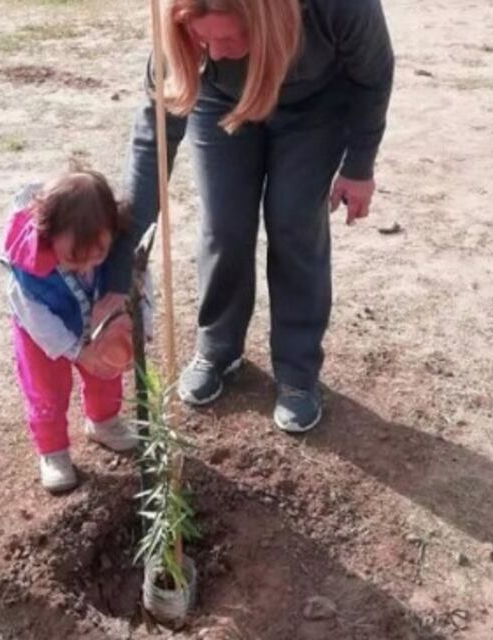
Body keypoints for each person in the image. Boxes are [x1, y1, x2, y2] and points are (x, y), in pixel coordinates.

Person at [102, 0, 394, 434]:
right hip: (218, 104)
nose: (216, 52)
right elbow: (152, 142)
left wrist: (359, 166)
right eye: (205, 38)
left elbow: (374, 73)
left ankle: (297, 372)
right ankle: (218, 347)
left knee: (294, 223)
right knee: (225, 225)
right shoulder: (186, 37)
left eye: (230, 37)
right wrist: (119, 274)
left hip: (313, 107)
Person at [4, 171, 139, 492]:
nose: (86, 265)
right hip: (43, 335)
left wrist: (137, 332)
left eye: (98, 254)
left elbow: (138, 287)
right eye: (73, 258)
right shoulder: (29, 264)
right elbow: (35, 316)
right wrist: (76, 351)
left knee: (106, 372)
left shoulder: (117, 247)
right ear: (50, 237)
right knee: (46, 391)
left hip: (94, 323)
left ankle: (103, 420)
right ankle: (53, 451)